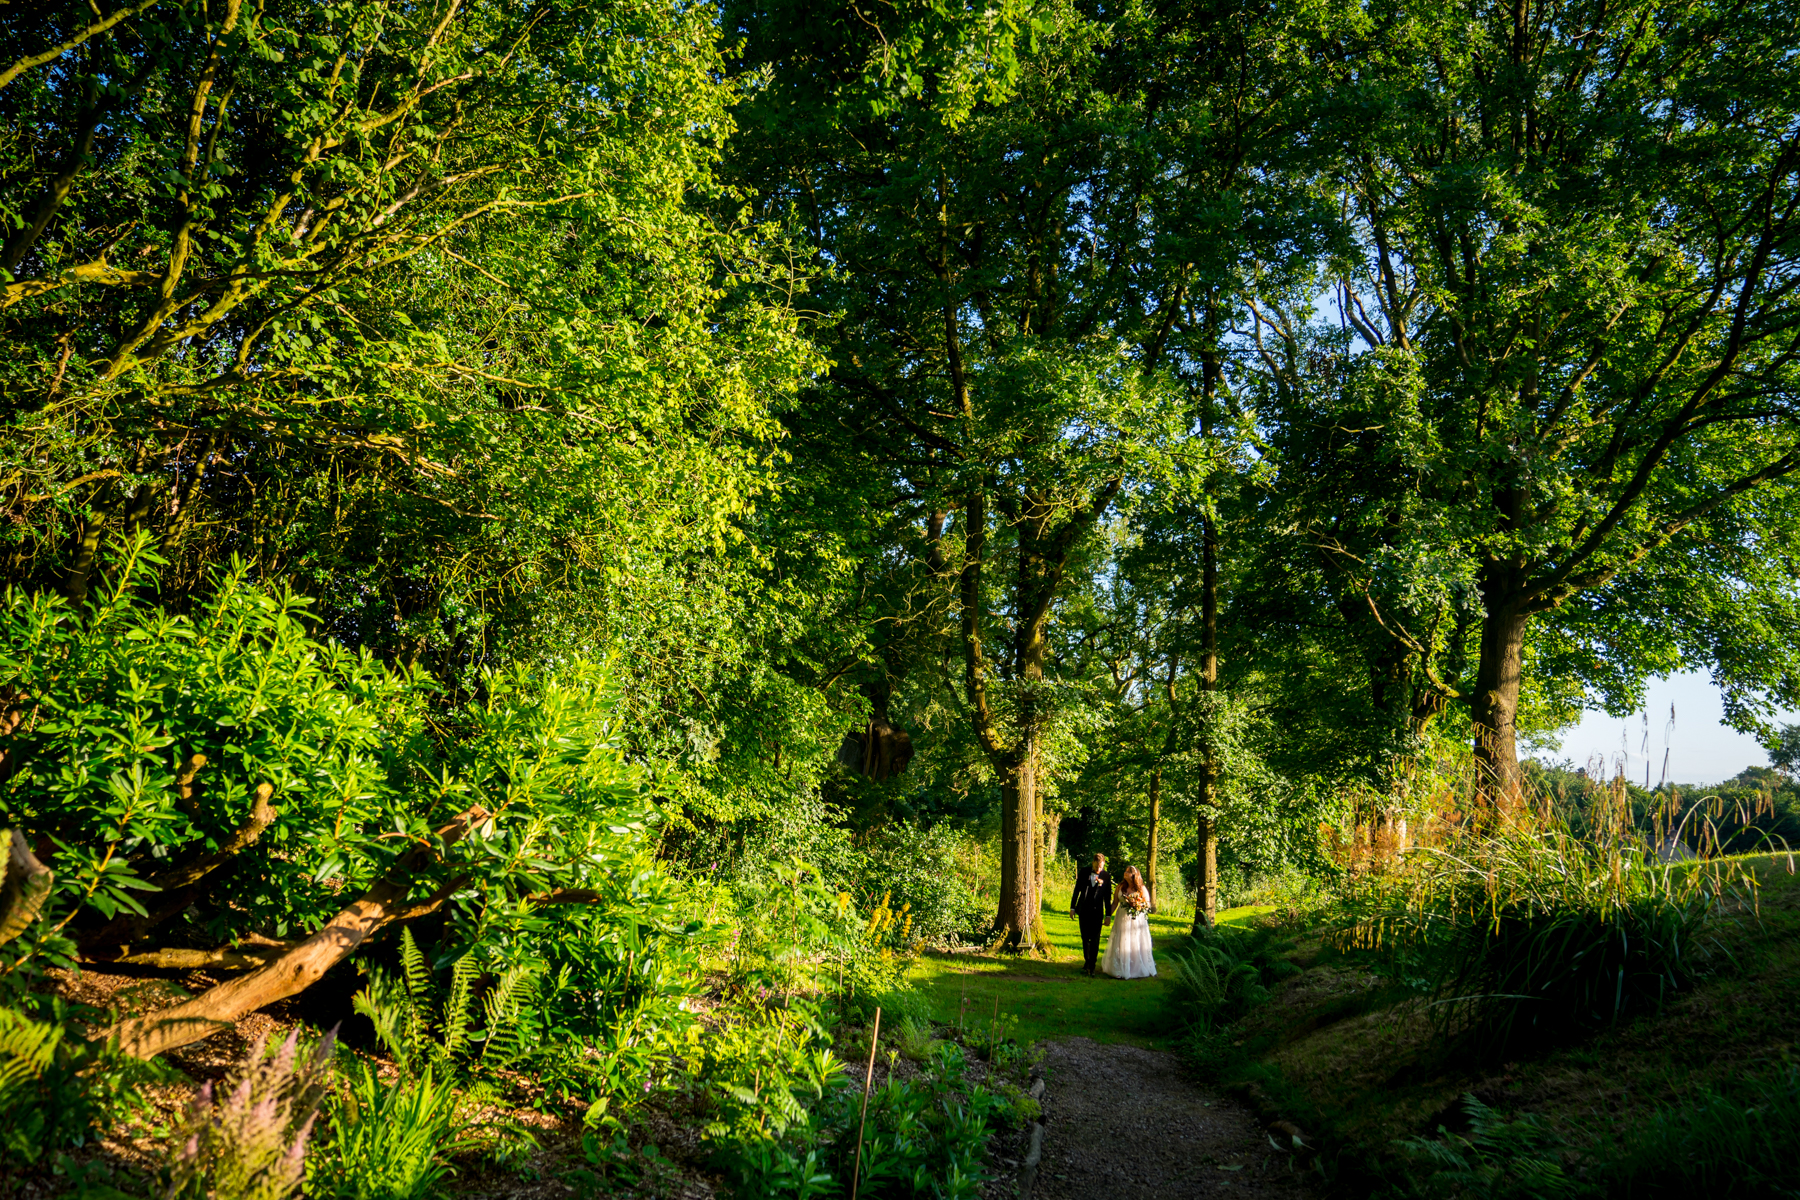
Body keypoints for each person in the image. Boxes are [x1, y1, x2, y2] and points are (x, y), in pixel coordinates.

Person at [1101, 865, 1157, 979]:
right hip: (1121, 917)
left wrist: (1137, 905)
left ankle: (1135, 967)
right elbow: (1115, 903)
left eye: (1128, 872)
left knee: (1134, 941)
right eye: (1125, 871)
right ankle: (1119, 968)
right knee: (1121, 940)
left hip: (1136, 919)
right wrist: (1108, 916)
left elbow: (1147, 903)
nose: (1125, 873)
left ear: (1133, 875)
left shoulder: (1141, 888)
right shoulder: (1120, 887)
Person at [1068, 852, 1113, 976]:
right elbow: (1077, 890)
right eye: (1096, 866)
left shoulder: (1106, 876)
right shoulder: (1084, 872)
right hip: (1084, 909)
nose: (1098, 869)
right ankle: (1087, 961)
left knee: (1095, 938)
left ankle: (1092, 965)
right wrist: (1072, 907)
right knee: (1085, 937)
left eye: (1101, 867)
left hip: (1097, 912)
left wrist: (1108, 915)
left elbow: (1107, 898)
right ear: (1093, 863)